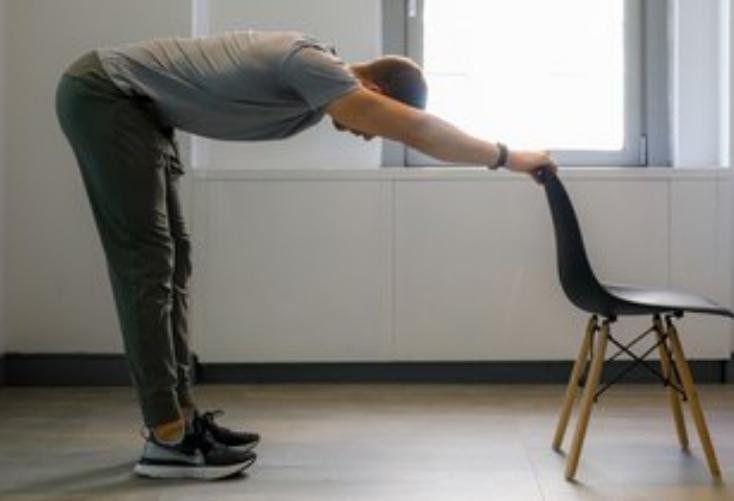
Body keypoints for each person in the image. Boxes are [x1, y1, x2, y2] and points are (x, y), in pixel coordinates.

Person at [55, 30, 558, 481]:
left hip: (141, 110)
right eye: (377, 123)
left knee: (174, 258)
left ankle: (182, 418)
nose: (368, 134)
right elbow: (420, 131)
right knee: (147, 264)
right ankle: (165, 436)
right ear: (375, 91)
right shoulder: (315, 67)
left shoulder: (314, 83)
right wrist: (510, 157)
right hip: (106, 95)